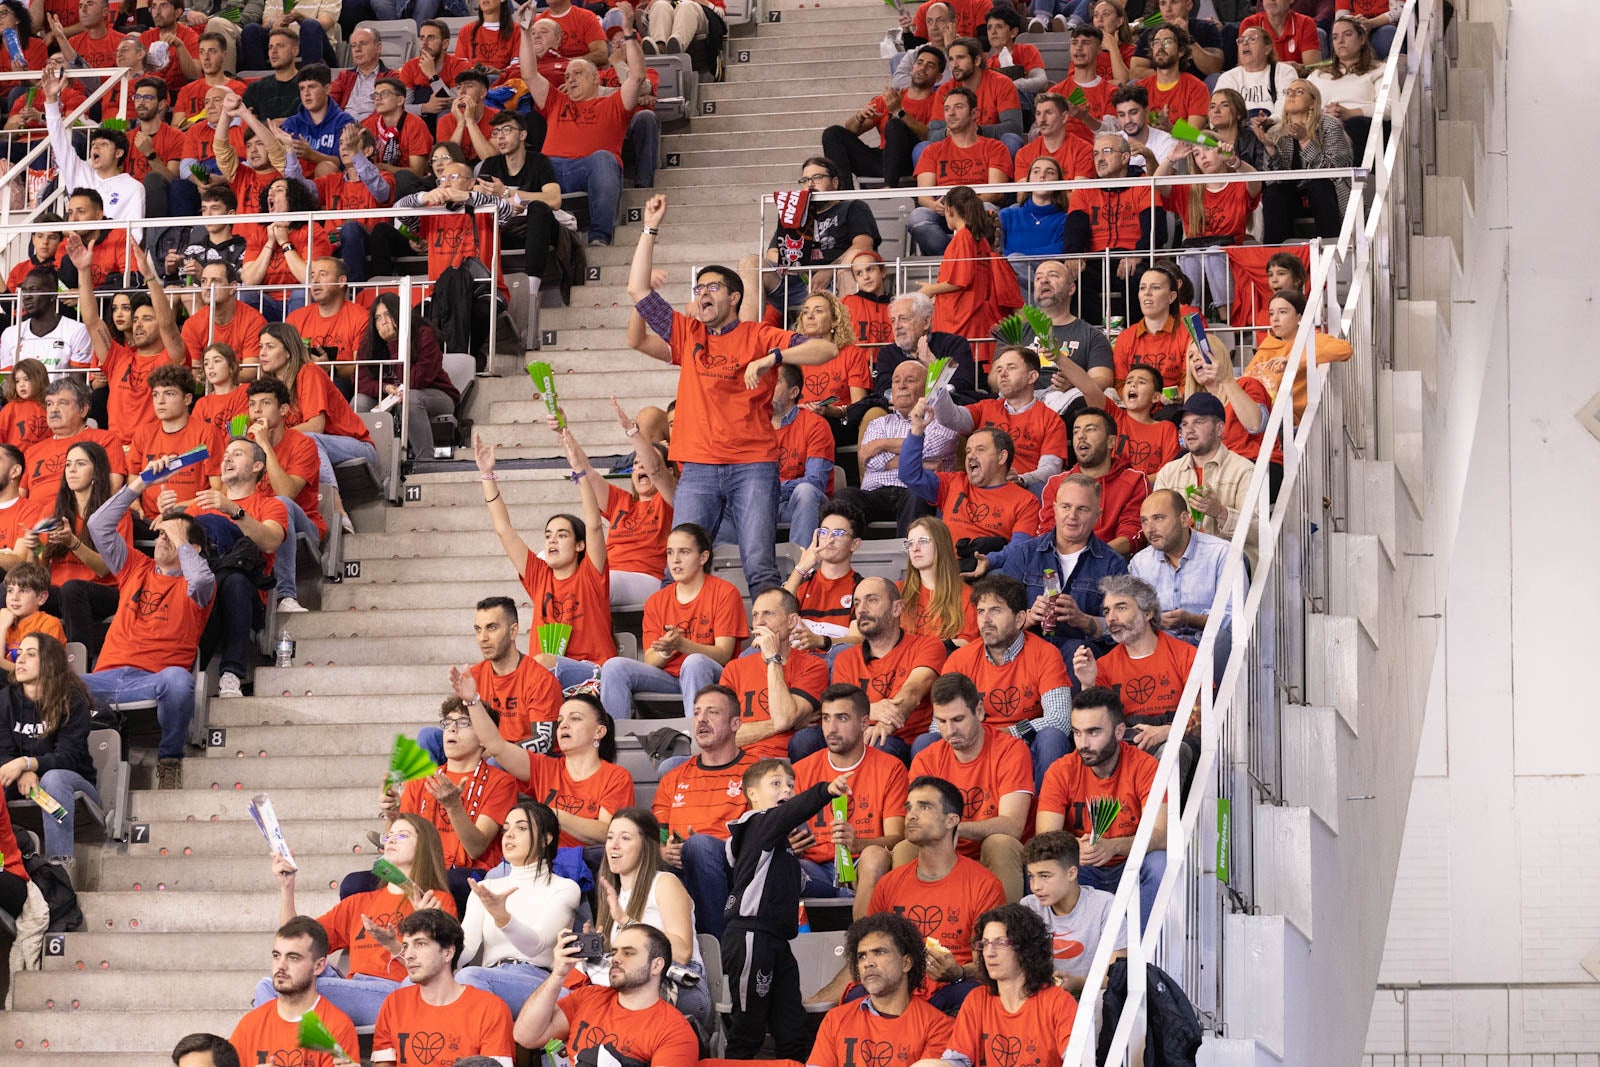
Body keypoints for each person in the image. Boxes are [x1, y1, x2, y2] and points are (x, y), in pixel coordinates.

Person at [626, 194, 837, 593]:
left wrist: (771, 357)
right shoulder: (688, 333)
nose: (702, 293)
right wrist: (650, 229)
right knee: (678, 564)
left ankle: (769, 647)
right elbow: (637, 289)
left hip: (752, 465)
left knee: (759, 563)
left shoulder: (757, 335)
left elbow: (826, 349)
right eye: (698, 287)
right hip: (698, 469)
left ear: (734, 297)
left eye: (713, 287)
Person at [816, 776, 1004, 1012]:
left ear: (951, 820)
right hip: (897, 984)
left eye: (924, 807)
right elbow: (865, 952)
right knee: (856, 997)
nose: (911, 815)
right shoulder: (890, 883)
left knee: (975, 997)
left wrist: (958, 971)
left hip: (951, 989)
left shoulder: (984, 885)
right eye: (909, 807)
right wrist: (817, 1002)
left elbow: (989, 963)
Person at [79, 465, 214, 789]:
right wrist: (142, 482)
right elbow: (98, 524)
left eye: (170, 535)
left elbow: (200, 577)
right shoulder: (136, 566)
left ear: (191, 548)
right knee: (48, 683)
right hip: (103, 677)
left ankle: (169, 760)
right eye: (161, 533)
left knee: (179, 680)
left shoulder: (200, 586)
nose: (161, 538)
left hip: (154, 679)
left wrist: (179, 529)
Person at [268, 813, 456, 1027]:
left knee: (299, 987)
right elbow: (294, 944)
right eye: (388, 836)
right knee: (268, 985)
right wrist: (287, 888)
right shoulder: (358, 902)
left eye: (403, 836)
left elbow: (439, 969)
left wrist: (400, 940)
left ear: (424, 845)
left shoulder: (436, 900)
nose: (392, 840)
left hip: (397, 991)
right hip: (351, 988)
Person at [722, 759, 852, 1059]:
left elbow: (806, 885)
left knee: (793, 1028)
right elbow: (789, 814)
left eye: (791, 785)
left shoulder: (781, 846)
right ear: (752, 794)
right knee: (748, 1030)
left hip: (778, 942)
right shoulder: (758, 823)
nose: (787, 790)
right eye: (776, 784)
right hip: (750, 937)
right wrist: (824, 792)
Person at [476, 434, 615, 688]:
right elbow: (504, 530)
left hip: (592, 674)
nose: (552, 541)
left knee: (537, 663)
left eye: (562, 535)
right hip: (547, 676)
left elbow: (594, 525)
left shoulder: (591, 573)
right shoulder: (539, 576)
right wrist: (487, 476)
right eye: (548, 536)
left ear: (579, 545)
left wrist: (579, 473)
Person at [1037, 686, 1167, 927]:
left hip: (1131, 865)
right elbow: (1045, 839)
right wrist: (1074, 848)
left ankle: (1139, 960)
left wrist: (1114, 846)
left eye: (1093, 732)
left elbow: (1163, 835)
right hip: (1082, 868)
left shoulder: (1145, 767)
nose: (1083, 744)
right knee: (1048, 867)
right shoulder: (1061, 771)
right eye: (1076, 733)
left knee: (1160, 862)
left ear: (1119, 732)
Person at [384, 699, 521, 911]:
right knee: (356, 883)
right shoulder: (420, 780)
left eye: (464, 722)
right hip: (420, 870)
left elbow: (475, 848)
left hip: (469, 873)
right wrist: (391, 816)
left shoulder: (501, 782)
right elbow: (399, 843)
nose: (452, 729)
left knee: (454, 880)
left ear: (484, 737)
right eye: (447, 723)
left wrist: (453, 806)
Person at [906, 673, 1033, 902]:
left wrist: (955, 828)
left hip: (992, 852)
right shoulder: (927, 759)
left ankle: (1003, 932)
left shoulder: (1010, 750)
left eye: (957, 719)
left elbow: (1013, 825)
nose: (949, 731)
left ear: (980, 711)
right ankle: (909, 933)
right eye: (941, 722)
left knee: (1000, 842)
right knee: (906, 847)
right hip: (945, 853)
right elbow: (918, 820)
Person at [463, 686, 632, 853]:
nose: (564, 725)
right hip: (545, 864)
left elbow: (607, 832)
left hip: (589, 865)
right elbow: (496, 746)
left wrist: (551, 814)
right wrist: (472, 702)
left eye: (575, 719)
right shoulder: (544, 767)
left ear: (599, 731)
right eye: (560, 721)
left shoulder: (616, 776)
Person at [981, 474, 1129, 665]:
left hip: (1081, 662)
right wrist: (1027, 618)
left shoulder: (1112, 564)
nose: (1072, 516)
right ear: (1055, 509)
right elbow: (996, 616)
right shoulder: (1025, 554)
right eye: (1066, 507)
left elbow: (1125, 628)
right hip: (1028, 656)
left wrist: (1084, 620)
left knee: (1077, 650)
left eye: (1082, 509)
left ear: (1097, 516)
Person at [600, 522, 745, 717]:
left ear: (703, 557)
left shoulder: (725, 593)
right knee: (614, 666)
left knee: (694, 663)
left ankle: (698, 741)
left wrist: (683, 644)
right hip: (668, 678)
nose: (675, 560)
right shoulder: (656, 600)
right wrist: (668, 650)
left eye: (684, 552)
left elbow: (724, 655)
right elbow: (650, 659)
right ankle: (611, 743)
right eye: (670, 552)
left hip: (713, 677)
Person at [454, 799, 582, 1015]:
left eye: (521, 828)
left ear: (545, 838)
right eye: (506, 829)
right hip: (489, 976)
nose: (509, 835)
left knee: (468, 978)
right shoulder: (486, 887)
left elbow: (537, 946)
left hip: (538, 980)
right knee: (416, 982)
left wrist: (502, 917)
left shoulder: (565, 887)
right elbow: (466, 946)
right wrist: (431, 953)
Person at [521, 23, 644, 247]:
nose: (571, 80)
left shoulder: (614, 103)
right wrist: (524, 31)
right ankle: (524, 235)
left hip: (590, 168)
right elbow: (529, 74)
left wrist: (628, 34)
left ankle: (599, 237)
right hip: (552, 168)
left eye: (578, 73)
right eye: (567, 76)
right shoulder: (556, 101)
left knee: (604, 158)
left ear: (596, 78)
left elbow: (636, 77)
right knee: (529, 161)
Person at [942, 574, 1074, 780]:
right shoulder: (960, 659)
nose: (985, 620)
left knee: (1052, 738)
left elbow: (1060, 720)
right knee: (927, 741)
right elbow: (938, 722)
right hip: (973, 744)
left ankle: (1046, 809)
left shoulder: (1045, 653)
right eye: (981, 612)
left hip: (1026, 741)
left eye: (995, 610)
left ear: (1019, 618)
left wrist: (1010, 732)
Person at [648, 684, 755, 938]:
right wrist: (664, 850)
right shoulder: (673, 778)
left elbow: (762, 830)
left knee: (699, 846)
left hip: (734, 867)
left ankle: (718, 946)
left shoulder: (756, 773)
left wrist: (702, 846)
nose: (702, 720)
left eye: (712, 713)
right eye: (697, 713)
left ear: (735, 724)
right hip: (678, 868)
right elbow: (660, 830)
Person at [915, 903, 1078, 1067]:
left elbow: (1077, 1061)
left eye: (1000, 943)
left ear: (1026, 948)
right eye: (984, 944)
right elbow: (957, 1061)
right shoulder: (977, 999)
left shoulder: (1059, 1002)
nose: (989, 953)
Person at [587, 807, 710, 1025]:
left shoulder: (664, 883)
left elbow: (682, 953)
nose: (613, 845)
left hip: (680, 984)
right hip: (630, 984)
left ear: (645, 846)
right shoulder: (611, 894)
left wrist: (627, 922)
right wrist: (592, 945)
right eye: (610, 837)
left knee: (603, 1005)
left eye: (625, 838)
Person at [511, 924, 699, 1064]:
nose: (615, 959)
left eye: (628, 953)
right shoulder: (588, 997)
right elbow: (526, 1036)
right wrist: (558, 975)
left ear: (656, 965)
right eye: (615, 952)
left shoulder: (674, 1031)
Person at [793, 683, 906, 915]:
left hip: (861, 865)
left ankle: (862, 942)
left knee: (874, 856)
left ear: (864, 723)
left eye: (842, 718)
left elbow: (898, 839)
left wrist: (859, 845)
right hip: (815, 868)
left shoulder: (890, 768)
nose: (831, 728)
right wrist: (788, 846)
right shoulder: (802, 770)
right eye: (825, 718)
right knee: (777, 865)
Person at [258, 323, 377, 536]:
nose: (262, 353)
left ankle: (337, 511)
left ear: (287, 351)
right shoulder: (270, 386)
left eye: (270, 346)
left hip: (355, 444)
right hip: (316, 447)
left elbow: (316, 426)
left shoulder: (309, 372)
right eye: (260, 347)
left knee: (309, 440)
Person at [192, 437, 289, 697]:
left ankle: (231, 674)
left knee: (234, 579)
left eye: (236, 454)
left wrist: (234, 511)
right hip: (204, 593)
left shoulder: (271, 505)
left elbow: (270, 543)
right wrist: (165, 517)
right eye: (225, 455)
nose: (226, 459)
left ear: (257, 466)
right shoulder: (199, 505)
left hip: (248, 597)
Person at [66, 238, 184, 446]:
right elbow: (92, 321)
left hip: (155, 449)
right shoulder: (118, 357)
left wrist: (149, 277)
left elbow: (167, 324)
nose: (138, 325)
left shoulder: (171, 358)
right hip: (117, 450)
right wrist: (83, 270)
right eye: (136, 319)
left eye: (147, 319)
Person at [1071, 575, 1198, 768]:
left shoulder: (1185, 654)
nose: (1111, 618)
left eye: (1121, 608)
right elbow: (1096, 725)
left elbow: (1202, 717)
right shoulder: (1104, 665)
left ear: (1148, 613)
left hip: (1177, 740)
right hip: (1128, 745)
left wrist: (1166, 731)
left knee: (1174, 751)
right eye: (1107, 611)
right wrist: (1088, 684)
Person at [371, 910, 516, 1065]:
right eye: (406, 946)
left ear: (448, 953)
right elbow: (383, 1063)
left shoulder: (491, 1009)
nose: (408, 955)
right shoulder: (394, 1003)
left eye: (420, 944)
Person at [808, 912, 955, 1066]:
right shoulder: (835, 1019)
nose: (868, 963)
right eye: (861, 956)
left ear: (906, 963)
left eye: (879, 952)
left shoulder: (938, 1026)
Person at [0, 632, 93, 873]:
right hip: (25, 777)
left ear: (49, 662)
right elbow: (3, 752)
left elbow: (68, 757)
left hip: (73, 782)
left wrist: (28, 764)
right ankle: (3, 867)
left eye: (30, 654)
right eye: (19, 653)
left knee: (54, 779)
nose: (20, 660)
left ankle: (59, 869)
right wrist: (23, 770)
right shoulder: (5, 700)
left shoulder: (71, 700)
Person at [828, 576, 947, 763]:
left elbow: (913, 691)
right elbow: (840, 710)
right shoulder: (845, 658)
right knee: (807, 740)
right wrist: (872, 710)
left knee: (879, 744)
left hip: (902, 740)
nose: (861, 609)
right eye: (857, 603)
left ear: (896, 608)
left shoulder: (927, 646)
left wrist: (884, 724)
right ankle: (832, 793)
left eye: (872, 600)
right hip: (856, 739)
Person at [835, 358, 958, 537]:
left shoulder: (941, 419)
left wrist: (882, 444)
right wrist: (923, 465)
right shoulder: (878, 423)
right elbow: (870, 460)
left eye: (910, 380)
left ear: (926, 389)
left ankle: (910, 560)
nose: (901, 386)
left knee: (916, 494)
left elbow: (932, 447)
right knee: (844, 498)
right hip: (877, 492)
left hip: (918, 492)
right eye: (896, 381)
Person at [434, 597, 564, 759]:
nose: (483, 638)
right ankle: (422, 784)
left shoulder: (540, 679)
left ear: (513, 631)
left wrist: (498, 751)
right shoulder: (473, 677)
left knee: (497, 762)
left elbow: (544, 742)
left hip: (529, 765)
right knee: (429, 737)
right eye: (478, 629)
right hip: (486, 755)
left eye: (492, 628)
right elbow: (459, 725)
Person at [753, 156, 879, 323]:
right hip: (798, 283)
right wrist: (796, 265)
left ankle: (849, 336)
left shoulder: (852, 207)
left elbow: (864, 245)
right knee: (751, 263)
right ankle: (746, 337)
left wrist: (828, 271)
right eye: (805, 180)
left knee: (855, 257)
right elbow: (772, 253)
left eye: (817, 178)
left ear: (834, 183)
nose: (810, 185)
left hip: (838, 280)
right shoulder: (795, 212)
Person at [900, 400, 1042, 548]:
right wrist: (916, 430)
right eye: (968, 451)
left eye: (980, 449)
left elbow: (1019, 550)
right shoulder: (952, 483)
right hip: (949, 567)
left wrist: (989, 562)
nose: (971, 456)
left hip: (994, 568)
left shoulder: (1026, 501)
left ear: (1002, 457)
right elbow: (909, 475)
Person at [578, 400, 676, 607]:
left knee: (590, 582)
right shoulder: (621, 501)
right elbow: (588, 472)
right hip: (609, 573)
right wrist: (563, 434)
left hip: (646, 577)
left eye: (647, 463)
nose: (641, 467)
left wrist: (632, 431)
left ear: (669, 472)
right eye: (636, 463)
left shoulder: (670, 500)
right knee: (546, 562)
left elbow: (657, 471)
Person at [932, 345, 1068, 492]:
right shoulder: (986, 407)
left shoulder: (1050, 419)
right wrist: (937, 381)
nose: (1003, 374)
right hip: (982, 486)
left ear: (1032, 376)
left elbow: (1050, 469)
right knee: (949, 489)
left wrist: (1021, 479)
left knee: (1040, 489)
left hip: (1023, 491)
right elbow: (950, 419)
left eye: (1011, 367)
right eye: (999, 369)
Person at [231, 917, 361, 1067]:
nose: (281, 966)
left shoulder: (338, 1027)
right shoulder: (250, 1024)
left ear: (318, 966)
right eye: (276, 956)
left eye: (293, 958)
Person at [719, 586, 828, 760]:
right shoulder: (734, 669)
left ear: (791, 621)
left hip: (782, 763)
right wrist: (783, 726)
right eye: (755, 615)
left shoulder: (813, 666)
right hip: (737, 761)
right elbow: (723, 735)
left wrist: (772, 658)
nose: (759, 622)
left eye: (768, 614)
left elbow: (784, 718)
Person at [244, 377, 324, 614]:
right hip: (260, 522)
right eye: (252, 404)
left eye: (265, 403)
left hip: (304, 526)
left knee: (280, 504)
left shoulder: (303, 445)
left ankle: (287, 596)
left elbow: (286, 493)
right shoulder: (245, 446)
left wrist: (265, 447)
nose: (257, 410)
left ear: (284, 410)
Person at [1066, 132, 1163, 326]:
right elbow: (1073, 231)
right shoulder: (1084, 191)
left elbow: (1156, 228)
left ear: (1125, 157)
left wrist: (1138, 255)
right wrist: (1073, 256)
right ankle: (1095, 333)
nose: (1099, 158)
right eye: (1095, 154)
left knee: (1137, 277)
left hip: (1133, 255)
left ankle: (1136, 333)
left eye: (1107, 151)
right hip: (1097, 258)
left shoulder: (1143, 185)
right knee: (1071, 278)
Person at [1155, 139, 1261, 314]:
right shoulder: (1188, 188)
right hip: (1195, 248)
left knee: (1213, 253)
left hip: (1231, 252)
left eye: (1208, 149)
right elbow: (1157, 183)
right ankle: (1191, 316)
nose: (1202, 156)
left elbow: (1256, 181)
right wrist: (1171, 158)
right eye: (1196, 153)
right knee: (1189, 256)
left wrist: (1236, 162)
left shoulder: (1237, 184)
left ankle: (1227, 318)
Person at [920, 185, 1020, 368]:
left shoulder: (963, 237)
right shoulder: (977, 238)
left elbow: (961, 280)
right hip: (969, 316)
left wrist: (931, 289)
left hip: (960, 319)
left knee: (958, 374)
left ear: (949, 210)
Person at [351, 294, 459, 462]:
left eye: (388, 315)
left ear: (399, 313)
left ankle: (425, 463)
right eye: (378, 318)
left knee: (410, 398)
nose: (383, 322)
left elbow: (414, 381)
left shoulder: (424, 335)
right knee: (359, 402)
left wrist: (394, 343)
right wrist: (384, 388)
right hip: (391, 398)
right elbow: (359, 380)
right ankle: (371, 463)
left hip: (434, 396)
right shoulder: (371, 342)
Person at [820, 44, 944, 190]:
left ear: (938, 77)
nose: (922, 68)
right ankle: (843, 194)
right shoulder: (890, 98)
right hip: (882, 160)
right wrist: (859, 117)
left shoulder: (939, 100)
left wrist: (899, 111)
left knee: (895, 124)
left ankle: (889, 187)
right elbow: (851, 130)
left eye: (930, 65)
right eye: (919, 63)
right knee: (833, 133)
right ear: (912, 68)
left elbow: (931, 136)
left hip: (909, 162)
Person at [42, 64, 145, 236]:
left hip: (112, 254)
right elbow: (58, 141)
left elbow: (135, 234)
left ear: (119, 153)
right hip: (76, 247)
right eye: (94, 144)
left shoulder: (133, 188)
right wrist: (51, 100)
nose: (95, 147)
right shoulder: (79, 172)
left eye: (104, 144)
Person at [909, 88, 1013, 257]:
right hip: (943, 212)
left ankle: (970, 258)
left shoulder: (995, 147)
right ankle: (953, 259)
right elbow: (923, 196)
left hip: (978, 208)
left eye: (958, 107)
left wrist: (965, 206)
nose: (951, 113)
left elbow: (995, 192)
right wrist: (934, 205)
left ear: (974, 113)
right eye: (947, 109)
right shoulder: (932, 151)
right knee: (917, 216)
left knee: (987, 208)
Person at [1020, 830, 1126, 993]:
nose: (1036, 886)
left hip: (1092, 999)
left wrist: (1078, 983)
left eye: (1045, 876)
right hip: (1044, 1000)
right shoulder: (1029, 906)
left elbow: (1117, 975)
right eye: (1031, 876)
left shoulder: (1105, 905)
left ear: (1071, 873)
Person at [1152, 392, 1256, 548]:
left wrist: (1220, 512)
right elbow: (1156, 523)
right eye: (1184, 424)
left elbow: (1259, 533)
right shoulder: (1168, 472)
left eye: (1198, 422)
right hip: (1179, 559)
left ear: (1219, 429)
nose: (1189, 430)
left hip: (1227, 563)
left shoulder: (1244, 470)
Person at [1040, 409, 1149, 555]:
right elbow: (1047, 533)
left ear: (1111, 441)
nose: (1081, 437)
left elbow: (1133, 536)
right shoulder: (1056, 483)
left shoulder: (1134, 481)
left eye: (1090, 430)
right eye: (1076, 431)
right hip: (1061, 560)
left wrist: (1091, 557)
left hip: (1112, 562)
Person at [1129, 489, 1233, 642]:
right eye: (1144, 521)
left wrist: (1192, 620)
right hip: (1161, 648)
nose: (1149, 529)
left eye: (1158, 518)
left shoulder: (1221, 553)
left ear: (1184, 519)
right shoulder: (1140, 562)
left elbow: (1235, 618)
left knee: (1221, 638)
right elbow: (1134, 616)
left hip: (1207, 647)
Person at [1053, 356, 1180, 479]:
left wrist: (1134, 484)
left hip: (1148, 494)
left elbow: (1168, 473)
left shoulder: (1166, 429)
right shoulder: (1113, 415)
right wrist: (1058, 358)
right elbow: (1087, 387)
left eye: (1141, 382)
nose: (1132, 385)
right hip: (1110, 491)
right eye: (1128, 381)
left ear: (1156, 397)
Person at [1260, 79, 1354, 243]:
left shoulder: (1330, 125)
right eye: (1288, 92)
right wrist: (1271, 149)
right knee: (1274, 192)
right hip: (1293, 196)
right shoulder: (1276, 132)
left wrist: (1304, 141)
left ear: (1312, 102)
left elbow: (1332, 170)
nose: (1291, 95)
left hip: (1327, 193)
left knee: (1319, 185)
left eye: (1299, 92)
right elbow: (1273, 178)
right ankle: (1273, 252)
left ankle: (1331, 246)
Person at [127, 364, 225, 517]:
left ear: (187, 399)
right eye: (155, 394)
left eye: (169, 394)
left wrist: (176, 509)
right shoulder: (144, 432)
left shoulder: (206, 433)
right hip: (147, 517)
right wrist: (136, 506)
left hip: (191, 515)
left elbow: (217, 488)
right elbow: (133, 476)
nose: (160, 401)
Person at [1241, 289, 1353, 420]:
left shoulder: (1312, 339)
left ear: (1299, 316)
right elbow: (1247, 383)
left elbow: (1344, 349)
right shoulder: (1267, 347)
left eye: (1283, 312)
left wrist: (1295, 361)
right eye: (1271, 313)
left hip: (1289, 419)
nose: (1275, 319)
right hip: (1258, 414)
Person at [20, 377, 126, 496]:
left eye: (62, 403)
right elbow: (19, 498)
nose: (54, 409)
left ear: (83, 410)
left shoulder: (104, 440)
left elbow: (113, 488)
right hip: (35, 514)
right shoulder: (32, 452)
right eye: (49, 404)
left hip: (81, 513)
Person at [784, 500, 866, 648]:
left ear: (854, 544)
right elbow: (777, 615)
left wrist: (821, 641)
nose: (829, 540)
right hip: (797, 661)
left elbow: (858, 639)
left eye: (838, 533)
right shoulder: (801, 581)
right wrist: (801, 568)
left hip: (836, 663)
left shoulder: (862, 588)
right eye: (823, 532)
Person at [870, 292, 979, 404]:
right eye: (893, 320)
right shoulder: (887, 353)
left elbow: (961, 385)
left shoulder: (954, 345)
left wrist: (934, 366)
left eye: (903, 319)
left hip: (944, 412)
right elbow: (884, 389)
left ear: (926, 322)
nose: (897, 326)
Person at [769, 363, 834, 546]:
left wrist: (770, 487)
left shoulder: (815, 425)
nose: (765, 386)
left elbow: (815, 481)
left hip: (801, 505)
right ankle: (735, 569)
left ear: (793, 392)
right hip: (764, 505)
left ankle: (802, 569)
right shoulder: (752, 426)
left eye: (775, 381)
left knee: (806, 491)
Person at [1307, 13, 1387, 162]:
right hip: (1322, 125)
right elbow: (1302, 103)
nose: (1341, 41)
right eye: (1335, 37)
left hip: (1361, 128)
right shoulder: (1318, 74)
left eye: (1347, 34)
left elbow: (1389, 108)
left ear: (1362, 39)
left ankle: (1349, 179)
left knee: (1354, 125)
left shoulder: (1380, 70)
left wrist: (1350, 113)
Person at [927, 37, 1025, 154]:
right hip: (955, 148)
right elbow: (933, 134)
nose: (954, 65)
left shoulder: (1002, 83)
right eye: (951, 59)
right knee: (922, 148)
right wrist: (948, 133)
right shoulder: (945, 90)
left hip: (991, 149)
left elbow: (1014, 128)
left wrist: (975, 130)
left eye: (961, 58)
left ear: (977, 60)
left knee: (1011, 141)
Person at [900, 515, 977, 648]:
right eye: (910, 543)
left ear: (941, 544)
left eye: (923, 541)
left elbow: (967, 643)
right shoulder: (897, 591)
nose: (915, 548)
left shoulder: (966, 595)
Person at [288, 257, 368, 385]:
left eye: (323, 274)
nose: (315, 280)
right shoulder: (296, 318)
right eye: (312, 275)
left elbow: (361, 367)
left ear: (341, 281)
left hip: (339, 382)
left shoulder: (360, 317)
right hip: (300, 381)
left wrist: (329, 368)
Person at [1111, 264, 1189, 389]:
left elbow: (1190, 383)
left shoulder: (1187, 335)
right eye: (1142, 288)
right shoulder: (1125, 337)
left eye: (1156, 288)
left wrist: (1176, 397)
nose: (1147, 293)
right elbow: (1120, 384)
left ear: (1171, 297)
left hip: (1176, 406)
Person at [0, 270, 92, 377]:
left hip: (62, 393)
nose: (27, 296)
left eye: (34, 290)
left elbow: (77, 383)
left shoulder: (78, 331)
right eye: (24, 291)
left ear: (53, 295)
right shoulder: (10, 334)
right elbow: (10, 384)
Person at [181, 262, 268, 375]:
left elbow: (251, 371)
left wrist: (218, 377)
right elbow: (193, 371)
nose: (207, 287)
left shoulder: (253, 320)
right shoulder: (192, 324)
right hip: (208, 389)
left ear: (232, 287)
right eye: (203, 281)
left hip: (243, 389)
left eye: (215, 281)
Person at [1215, 26, 1300, 122]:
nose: (1245, 43)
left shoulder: (1284, 71)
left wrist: (1268, 122)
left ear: (1267, 49)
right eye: (1241, 40)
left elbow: (1288, 106)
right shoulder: (1228, 77)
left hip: (1275, 128)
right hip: (1238, 131)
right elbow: (1218, 112)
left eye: (1252, 39)